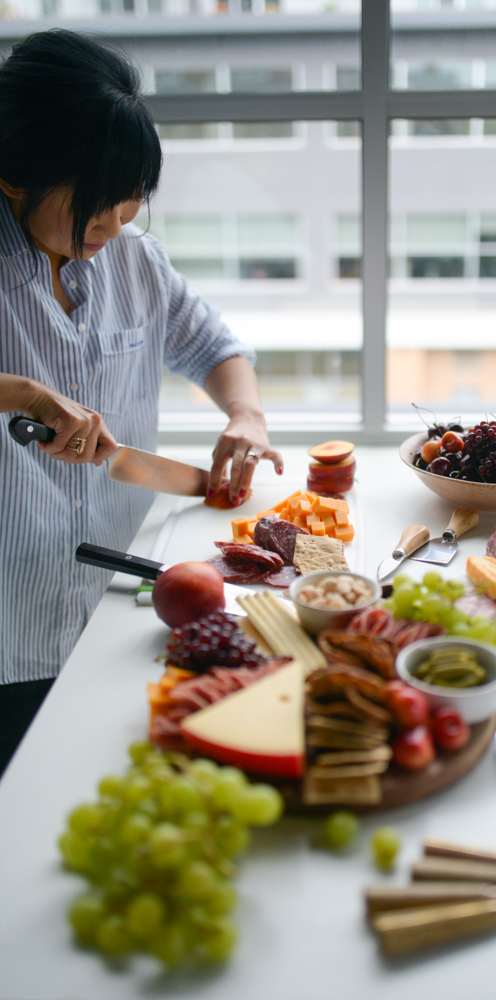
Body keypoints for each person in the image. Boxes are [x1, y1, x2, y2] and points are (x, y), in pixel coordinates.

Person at [0, 29, 283, 775]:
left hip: (118, 609)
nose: (115, 228)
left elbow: (215, 348)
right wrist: (23, 392)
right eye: (96, 208)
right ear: (13, 175)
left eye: (129, 206)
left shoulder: (133, 259)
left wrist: (244, 415)